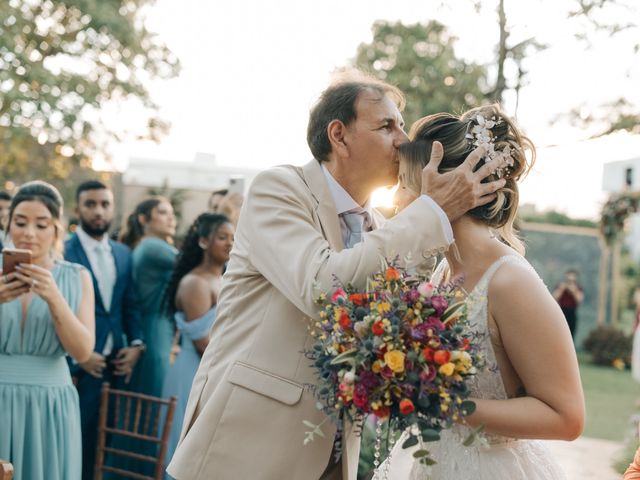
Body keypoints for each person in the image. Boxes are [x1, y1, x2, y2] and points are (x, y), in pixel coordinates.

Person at [167, 71, 507, 480]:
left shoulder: (385, 230)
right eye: (387, 126)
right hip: (245, 448)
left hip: (331, 455)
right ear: (339, 136)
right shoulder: (279, 189)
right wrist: (432, 210)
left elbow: (390, 324)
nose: (403, 140)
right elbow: (324, 288)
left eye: (401, 125)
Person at [382, 105, 584, 479]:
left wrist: (446, 405)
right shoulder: (442, 271)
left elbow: (566, 416)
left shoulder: (509, 281)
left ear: (452, 185)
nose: (396, 198)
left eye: (406, 183)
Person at [0, 181, 95, 480]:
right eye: (20, 222)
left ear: (57, 228)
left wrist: (55, 297)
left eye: (41, 224)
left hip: (50, 406)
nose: (29, 233)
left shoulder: (77, 277)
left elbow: (82, 352)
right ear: (8, 224)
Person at [64, 180, 145, 480]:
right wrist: (78, 358)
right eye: (91, 204)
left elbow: (130, 305)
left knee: (106, 444)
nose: (99, 211)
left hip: (116, 366)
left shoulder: (123, 253)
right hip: (78, 369)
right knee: (76, 444)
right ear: (77, 209)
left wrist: (137, 345)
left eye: (105, 204)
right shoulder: (63, 251)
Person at [162, 213, 234, 473]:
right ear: (204, 241)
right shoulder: (194, 283)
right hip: (194, 374)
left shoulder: (227, 279)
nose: (230, 244)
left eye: (234, 239)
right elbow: (203, 343)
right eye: (223, 237)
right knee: (186, 448)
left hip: (216, 370)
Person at [113, 197, 178, 474]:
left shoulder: (151, 247)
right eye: (162, 212)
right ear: (144, 219)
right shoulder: (153, 247)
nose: (170, 218)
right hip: (155, 333)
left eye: (172, 213)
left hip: (157, 331)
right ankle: (143, 469)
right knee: (153, 409)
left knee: (145, 408)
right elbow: (197, 264)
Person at [552, 269, 584, 339]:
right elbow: (555, 297)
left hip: (572, 312)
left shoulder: (578, 288)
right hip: (562, 312)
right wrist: (561, 289)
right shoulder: (561, 286)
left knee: (571, 333)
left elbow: (579, 300)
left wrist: (574, 291)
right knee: (560, 332)